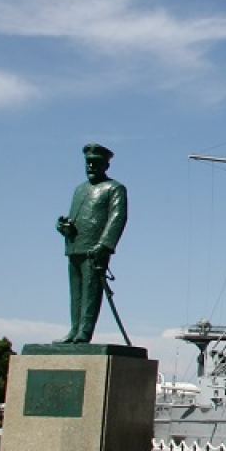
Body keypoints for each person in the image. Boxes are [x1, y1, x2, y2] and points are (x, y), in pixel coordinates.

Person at [56, 143, 128, 344]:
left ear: (106, 165)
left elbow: (118, 217)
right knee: (76, 293)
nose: (91, 166)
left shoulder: (114, 188)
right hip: (74, 247)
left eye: (96, 162)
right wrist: (64, 226)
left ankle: (84, 332)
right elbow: (75, 217)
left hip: (94, 250)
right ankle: (74, 329)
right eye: (88, 162)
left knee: (90, 292)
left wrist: (104, 245)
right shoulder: (79, 189)